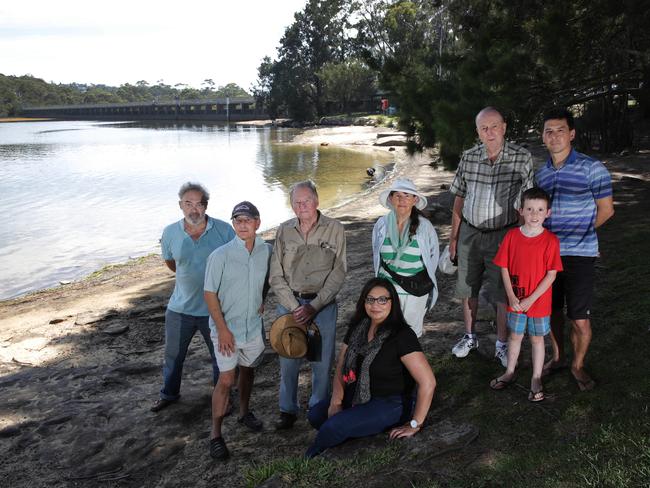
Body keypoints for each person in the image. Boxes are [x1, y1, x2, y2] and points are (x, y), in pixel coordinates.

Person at [305, 277, 436, 458]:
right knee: (316, 415)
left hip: (391, 402)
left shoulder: (402, 335)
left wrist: (415, 424)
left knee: (332, 428)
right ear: (363, 302)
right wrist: (336, 402)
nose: (376, 305)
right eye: (370, 299)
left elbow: (428, 382)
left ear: (392, 303)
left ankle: (311, 455)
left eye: (383, 299)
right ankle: (358, 425)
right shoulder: (359, 327)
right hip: (359, 393)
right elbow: (342, 365)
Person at [535, 108, 614, 391]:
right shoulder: (541, 174)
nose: (554, 136)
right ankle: (558, 357)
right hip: (547, 257)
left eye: (559, 130)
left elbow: (606, 210)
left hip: (580, 255)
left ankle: (577, 365)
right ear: (543, 137)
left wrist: (582, 232)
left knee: (579, 318)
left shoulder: (592, 168)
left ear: (571, 134)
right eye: (548, 131)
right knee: (552, 312)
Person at [448, 107, 534, 367]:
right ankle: (470, 336)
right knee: (467, 288)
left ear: (504, 127)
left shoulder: (521, 158)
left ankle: (501, 343)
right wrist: (453, 238)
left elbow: (527, 203)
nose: (490, 132)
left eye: (494, 126)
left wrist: (520, 240)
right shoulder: (469, 157)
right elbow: (459, 199)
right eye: (484, 128)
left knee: (502, 293)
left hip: (503, 235)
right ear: (477, 132)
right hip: (470, 233)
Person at [151, 182, 235, 413]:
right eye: (188, 203)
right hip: (180, 308)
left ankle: (225, 397)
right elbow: (172, 263)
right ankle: (169, 394)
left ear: (206, 206)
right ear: (180, 206)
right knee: (173, 356)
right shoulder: (170, 232)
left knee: (221, 357)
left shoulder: (224, 230)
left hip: (215, 310)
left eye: (199, 204)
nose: (194, 209)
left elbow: (233, 263)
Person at [269, 180, 347, 430]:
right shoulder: (283, 231)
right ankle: (287, 410)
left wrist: (314, 306)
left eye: (306, 201)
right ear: (291, 206)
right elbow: (275, 276)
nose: (301, 206)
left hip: (322, 305)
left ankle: (317, 408)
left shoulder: (335, 229)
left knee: (322, 361)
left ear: (317, 201)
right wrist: (295, 307)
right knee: (288, 359)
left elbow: (339, 271)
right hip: (289, 304)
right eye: (296, 202)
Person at [204, 201, 272, 459]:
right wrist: (222, 330)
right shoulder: (219, 255)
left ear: (257, 223)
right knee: (226, 379)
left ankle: (244, 413)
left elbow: (267, 279)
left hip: (253, 327)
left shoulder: (266, 250)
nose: (242, 225)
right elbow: (209, 294)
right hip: (226, 329)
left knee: (249, 370)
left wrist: (262, 298)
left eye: (247, 220)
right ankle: (216, 434)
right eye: (237, 220)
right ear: (233, 224)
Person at [490, 188, 563, 402]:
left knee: (537, 339)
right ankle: (510, 371)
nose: (534, 214)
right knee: (515, 336)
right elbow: (503, 267)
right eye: (529, 209)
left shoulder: (551, 240)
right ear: (521, 210)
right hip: (516, 300)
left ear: (547, 213)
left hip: (539, 302)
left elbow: (551, 275)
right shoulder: (512, 236)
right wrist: (511, 297)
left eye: (540, 210)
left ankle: (536, 377)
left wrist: (531, 299)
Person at [372, 178, 439, 337]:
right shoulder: (381, 225)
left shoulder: (424, 227)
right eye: (398, 196)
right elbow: (376, 257)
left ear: (415, 200)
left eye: (407, 196)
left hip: (414, 293)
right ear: (390, 198)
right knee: (384, 336)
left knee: (408, 338)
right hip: (386, 293)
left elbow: (432, 257)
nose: (402, 200)